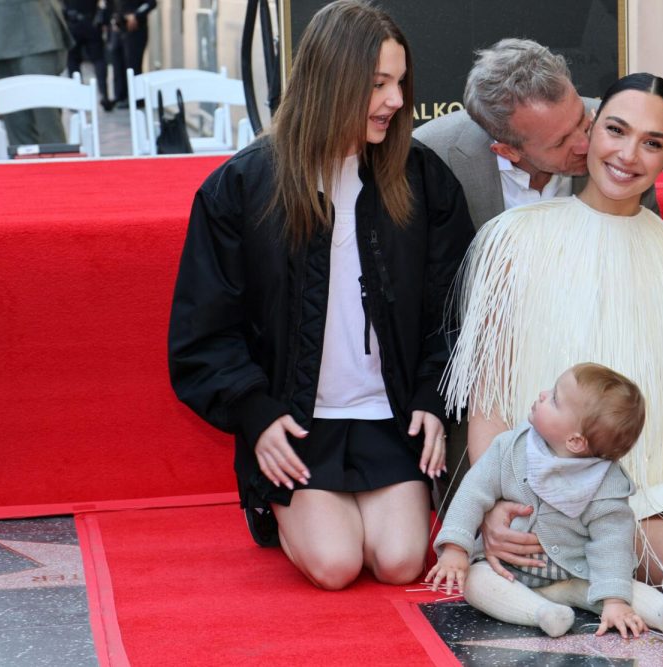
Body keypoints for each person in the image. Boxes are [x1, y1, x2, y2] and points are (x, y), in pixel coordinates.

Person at [168, 0, 475, 591]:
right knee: (335, 566)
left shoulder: (423, 179)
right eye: (378, 83)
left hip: (390, 421)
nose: (395, 99)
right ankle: (281, 505)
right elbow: (203, 332)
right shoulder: (241, 187)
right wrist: (256, 416)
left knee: (401, 562)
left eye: (400, 82)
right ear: (332, 79)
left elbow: (453, 309)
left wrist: (432, 398)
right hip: (298, 423)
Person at [444, 72, 663, 605]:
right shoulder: (512, 240)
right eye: (617, 130)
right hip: (574, 483)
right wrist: (497, 501)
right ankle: (589, 566)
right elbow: (490, 404)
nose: (629, 154)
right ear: (591, 133)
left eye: (653, 142)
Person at [426, 363, 663, 638]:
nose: (542, 394)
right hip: (509, 570)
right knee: (476, 583)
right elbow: (474, 491)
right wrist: (456, 548)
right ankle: (541, 613)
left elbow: (611, 542)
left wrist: (614, 600)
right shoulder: (510, 448)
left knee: (619, 586)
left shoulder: (606, 483)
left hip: (574, 573)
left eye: (554, 399)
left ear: (576, 441)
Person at [414, 37, 658, 229]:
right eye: (560, 141)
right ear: (508, 151)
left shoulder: (618, 136)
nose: (585, 145)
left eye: (582, 120)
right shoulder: (432, 156)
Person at [0, 0, 74, 146]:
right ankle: (25, 168)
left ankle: (58, 167)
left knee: (47, 127)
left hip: (33, 37)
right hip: (2, 44)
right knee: (17, 128)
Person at [63, 0, 110, 110]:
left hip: (78, 23)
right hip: (88, 23)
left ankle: (78, 98)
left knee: (74, 61)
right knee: (97, 59)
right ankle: (104, 95)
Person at [107, 0, 154, 106]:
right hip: (118, 28)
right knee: (117, 61)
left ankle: (136, 97)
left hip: (135, 29)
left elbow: (151, 3)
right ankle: (120, 96)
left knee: (132, 64)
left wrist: (136, 15)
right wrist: (113, 19)